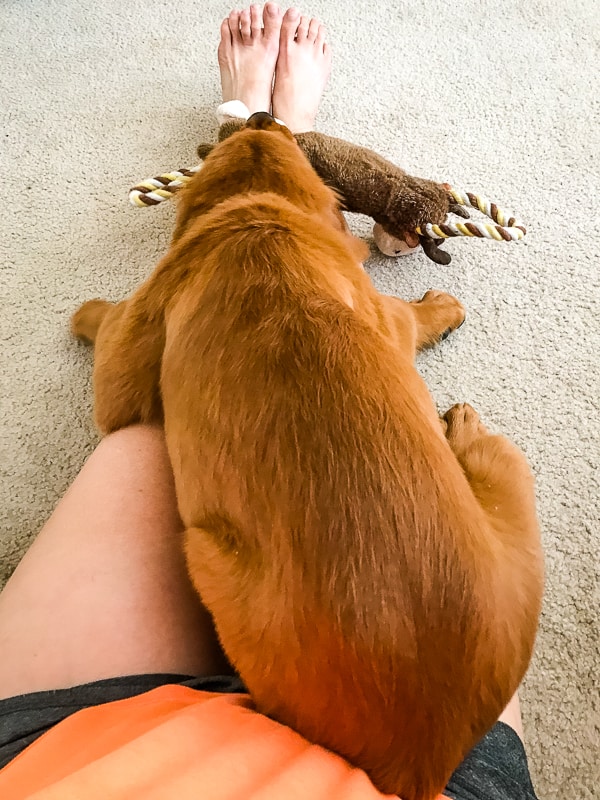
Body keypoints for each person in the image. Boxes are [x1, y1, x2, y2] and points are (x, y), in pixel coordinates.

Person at [0, 5, 539, 799]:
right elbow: (382, 328)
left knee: (155, 421)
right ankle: (289, 130)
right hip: (459, 757)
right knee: (390, 401)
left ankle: (246, 125)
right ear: (344, 231)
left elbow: (116, 396)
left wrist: (108, 319)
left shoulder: (181, 270)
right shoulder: (347, 269)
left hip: (103, 758)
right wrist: (422, 315)